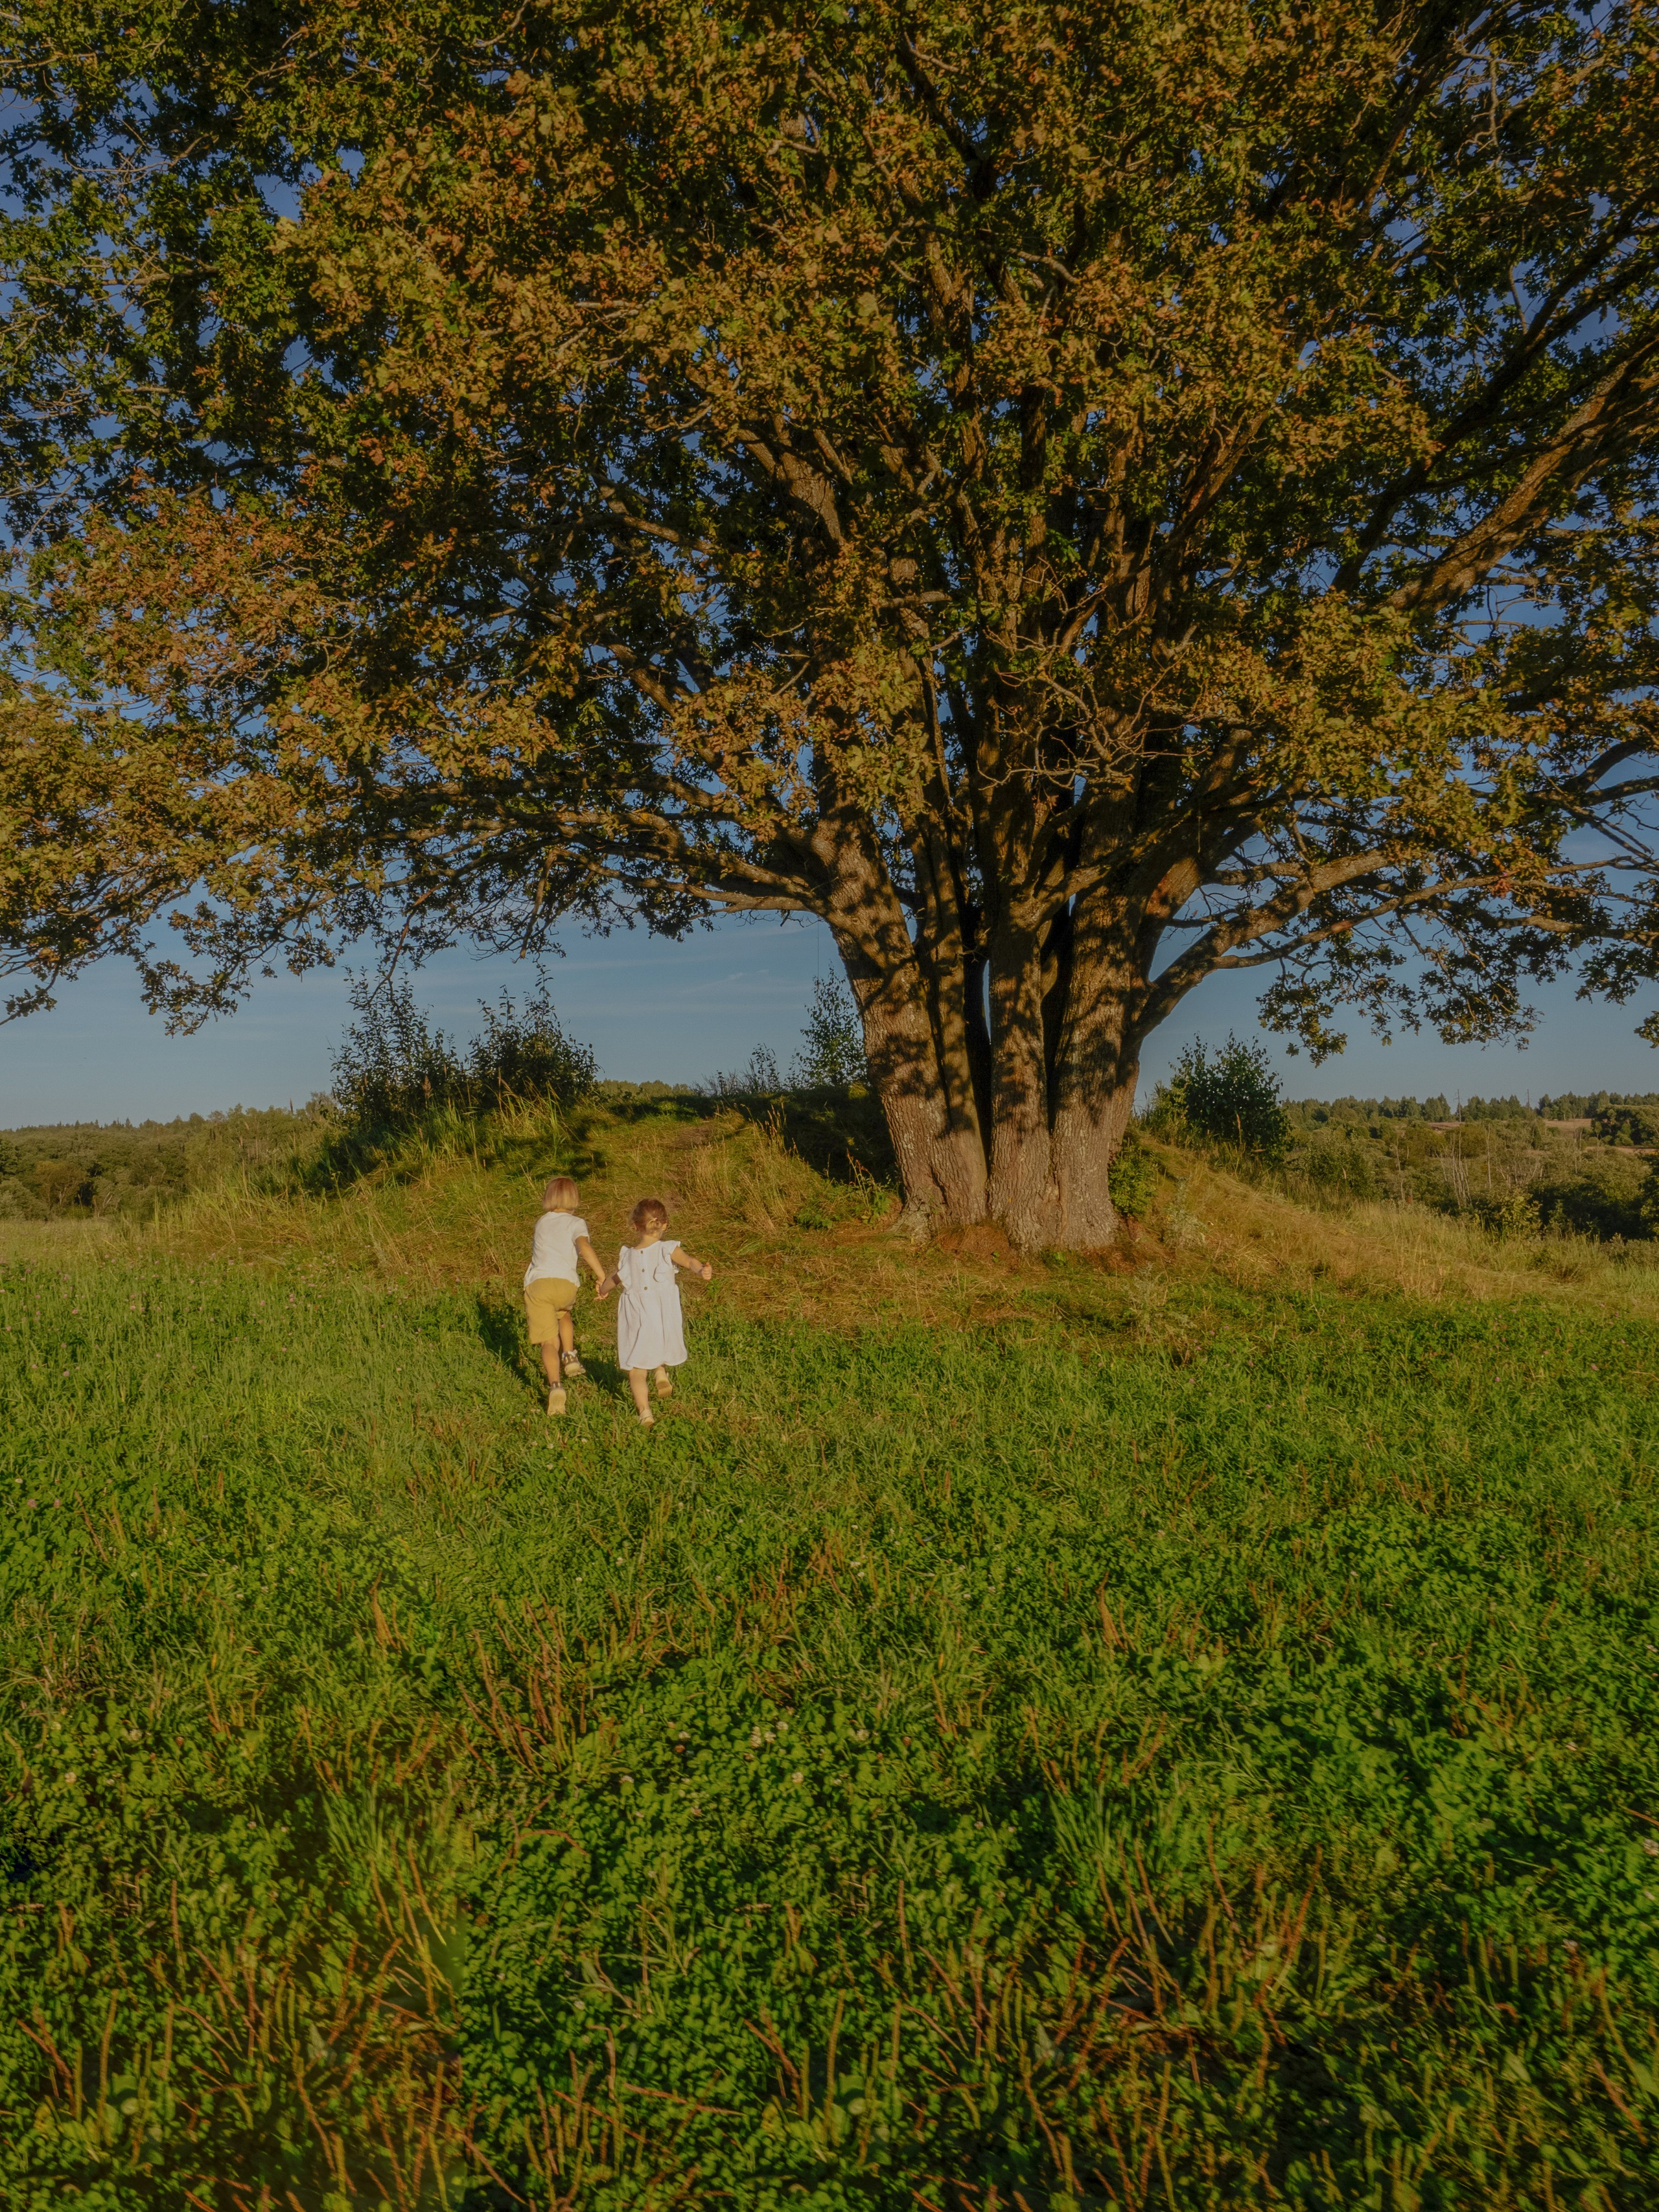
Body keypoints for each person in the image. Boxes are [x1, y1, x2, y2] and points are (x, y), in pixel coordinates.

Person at [599, 1198, 713, 1426]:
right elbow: (689, 1261)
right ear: (665, 1224)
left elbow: (614, 1279)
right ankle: (661, 1372)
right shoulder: (667, 1248)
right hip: (663, 1315)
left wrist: (602, 1290)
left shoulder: (628, 1256)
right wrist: (701, 1269)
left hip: (637, 1316)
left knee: (636, 1370)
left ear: (634, 1226)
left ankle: (645, 1413)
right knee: (658, 1342)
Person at [523, 1176, 607, 1416]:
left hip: (539, 1285)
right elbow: (585, 1248)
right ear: (575, 1199)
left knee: (549, 1342)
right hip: (566, 1285)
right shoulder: (576, 1223)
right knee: (564, 1313)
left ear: (549, 1198)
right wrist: (601, 1276)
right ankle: (570, 1356)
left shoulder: (541, 1223)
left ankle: (555, 1386)